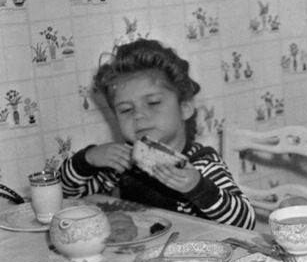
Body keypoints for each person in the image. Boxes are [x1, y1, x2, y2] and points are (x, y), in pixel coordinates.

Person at [60, 39, 256, 230]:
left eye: (153, 103)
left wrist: (198, 187)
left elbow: (245, 222)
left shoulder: (201, 163)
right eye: (126, 109)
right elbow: (66, 193)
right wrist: (87, 159)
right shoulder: (125, 161)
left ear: (185, 107)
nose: (138, 115)